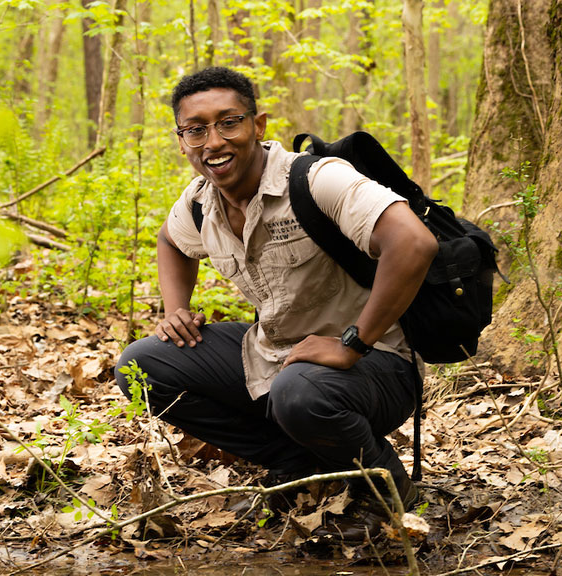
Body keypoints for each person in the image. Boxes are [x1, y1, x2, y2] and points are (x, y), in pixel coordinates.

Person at [115, 66, 438, 539]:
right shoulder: (200, 201)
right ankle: (300, 465)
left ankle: (389, 489)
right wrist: (174, 309)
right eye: (196, 129)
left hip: (377, 365)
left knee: (300, 392)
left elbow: (414, 243)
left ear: (258, 125)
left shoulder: (316, 180)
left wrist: (352, 343)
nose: (214, 142)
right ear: (181, 140)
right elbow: (170, 242)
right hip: (277, 357)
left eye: (229, 122)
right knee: (142, 366)